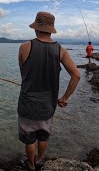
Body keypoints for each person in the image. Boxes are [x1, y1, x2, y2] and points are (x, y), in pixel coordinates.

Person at [17, 11, 81, 171]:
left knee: (30, 139)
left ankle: (30, 165)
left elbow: (23, 75)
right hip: (48, 105)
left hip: (28, 104)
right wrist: (65, 98)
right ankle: (39, 161)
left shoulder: (24, 47)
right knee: (43, 135)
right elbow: (76, 75)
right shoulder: (60, 50)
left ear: (36, 28)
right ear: (51, 29)